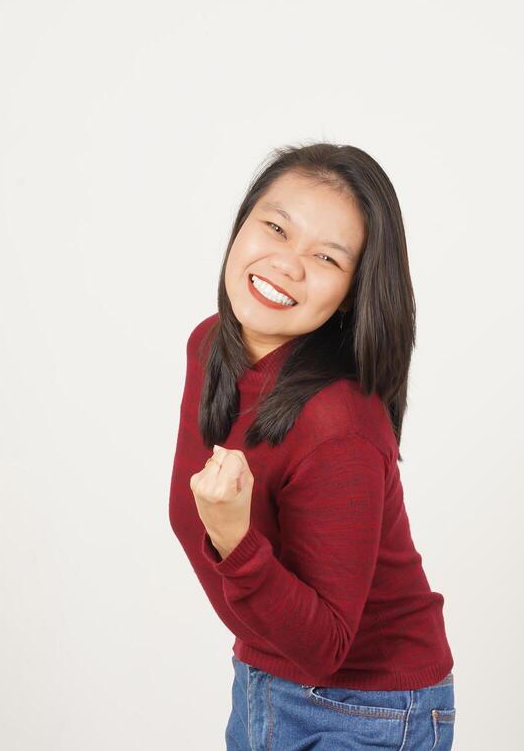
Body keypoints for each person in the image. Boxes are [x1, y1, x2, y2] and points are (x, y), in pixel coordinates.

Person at [168, 142, 457, 749]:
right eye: (275, 227)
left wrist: (235, 539)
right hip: (261, 678)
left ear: (353, 291)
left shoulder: (339, 423)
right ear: (241, 224)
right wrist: (230, 543)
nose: (287, 264)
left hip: (371, 707)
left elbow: (323, 648)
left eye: (326, 256)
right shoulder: (211, 348)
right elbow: (190, 514)